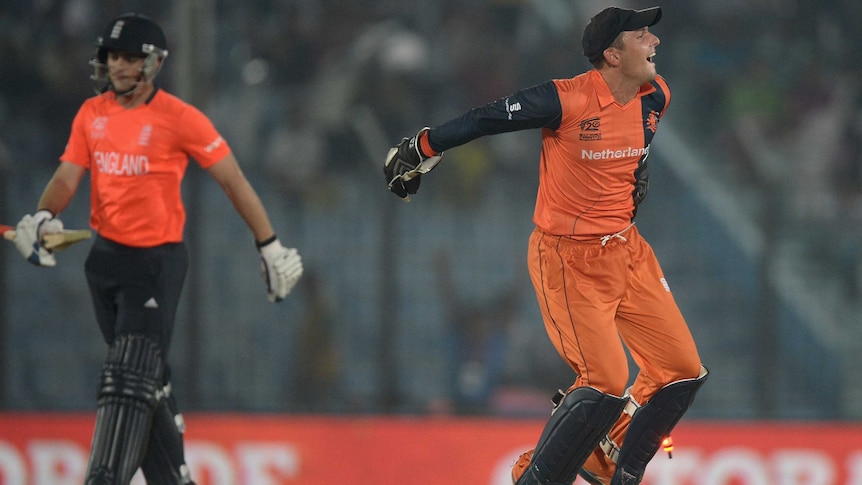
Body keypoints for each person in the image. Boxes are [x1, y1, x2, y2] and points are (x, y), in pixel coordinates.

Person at [383, 6, 707, 485]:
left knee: (682, 371)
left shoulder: (656, 96)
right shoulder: (567, 99)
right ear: (613, 55)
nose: (654, 42)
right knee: (605, 381)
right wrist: (423, 146)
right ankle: (532, 476)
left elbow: (634, 155)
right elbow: (487, 118)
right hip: (568, 258)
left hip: (628, 250)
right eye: (642, 36)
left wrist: (636, 176)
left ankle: (612, 462)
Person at [13, 13, 303, 485]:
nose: (120, 67)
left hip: (155, 263)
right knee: (148, 381)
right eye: (113, 57)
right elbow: (67, 176)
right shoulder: (92, 115)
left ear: (155, 63)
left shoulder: (179, 118)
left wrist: (269, 245)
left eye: (132, 58)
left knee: (128, 373)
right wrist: (44, 214)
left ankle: (105, 476)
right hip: (104, 262)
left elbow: (232, 181)